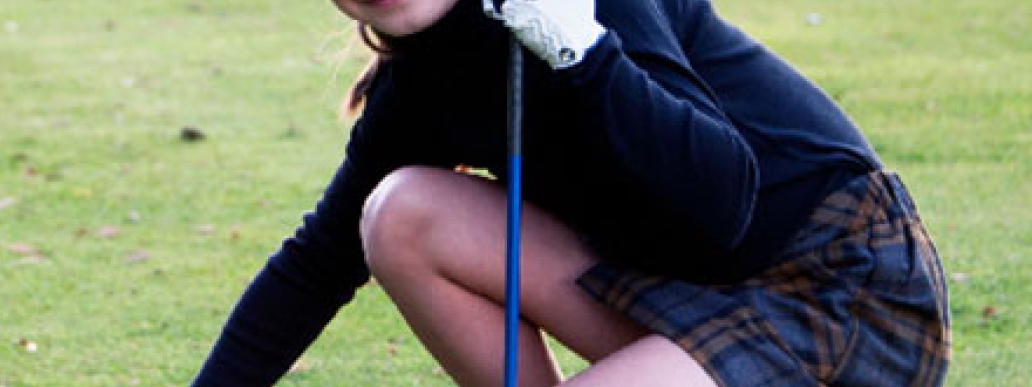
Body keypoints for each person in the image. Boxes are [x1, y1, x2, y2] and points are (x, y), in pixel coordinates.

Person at [192, 0, 951, 385]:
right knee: (400, 212)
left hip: (837, 287)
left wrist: (581, 53)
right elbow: (314, 265)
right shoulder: (420, 85)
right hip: (684, 292)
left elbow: (726, 203)